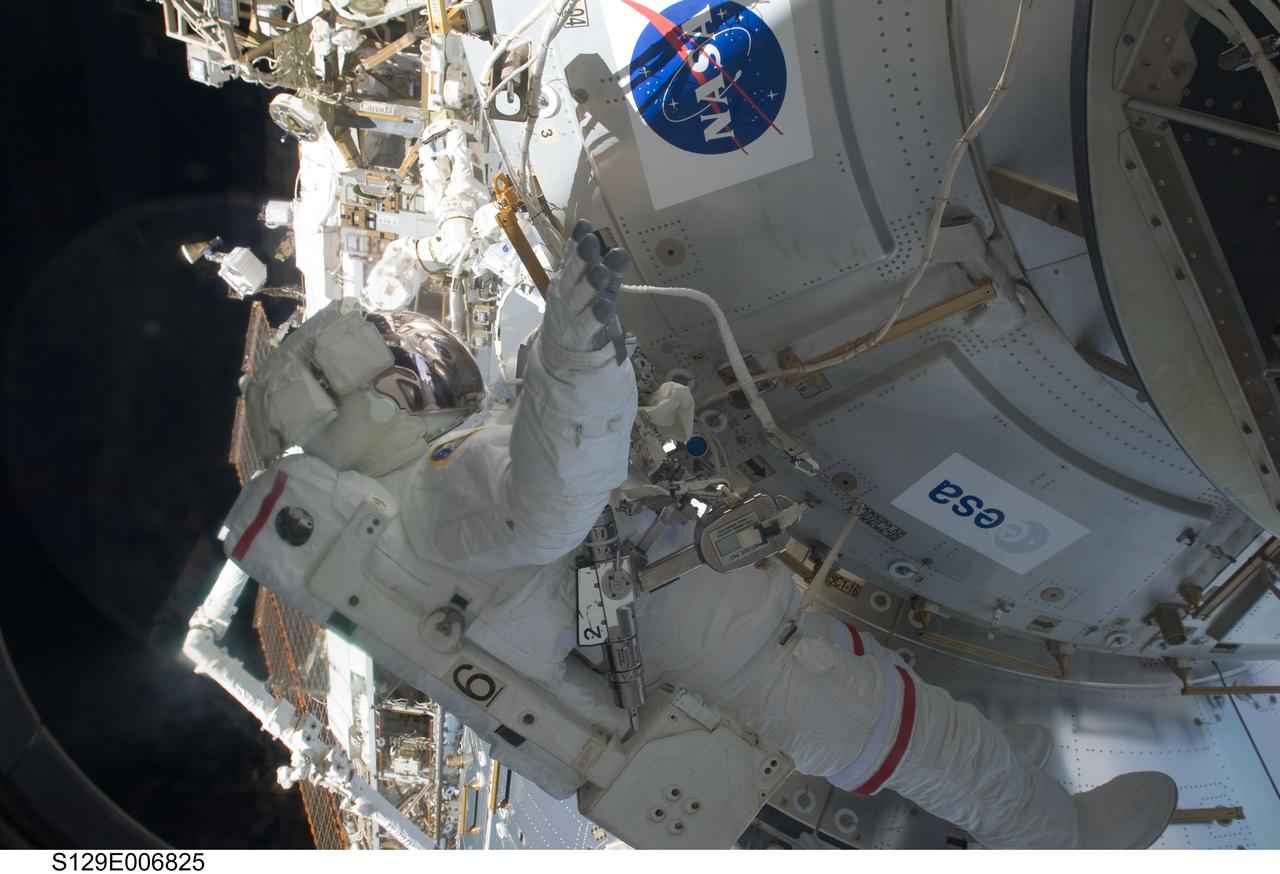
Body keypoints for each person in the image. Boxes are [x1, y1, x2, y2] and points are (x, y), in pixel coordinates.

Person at [223, 221, 1177, 849]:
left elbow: (565, 510)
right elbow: (551, 500)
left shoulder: (428, 500)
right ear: (383, 393)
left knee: (909, 713)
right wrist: (575, 356)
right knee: (942, 748)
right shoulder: (441, 486)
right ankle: (1059, 839)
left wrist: (623, 412)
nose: (425, 362)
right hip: (738, 670)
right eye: (404, 360)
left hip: (725, 649)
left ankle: (1028, 799)